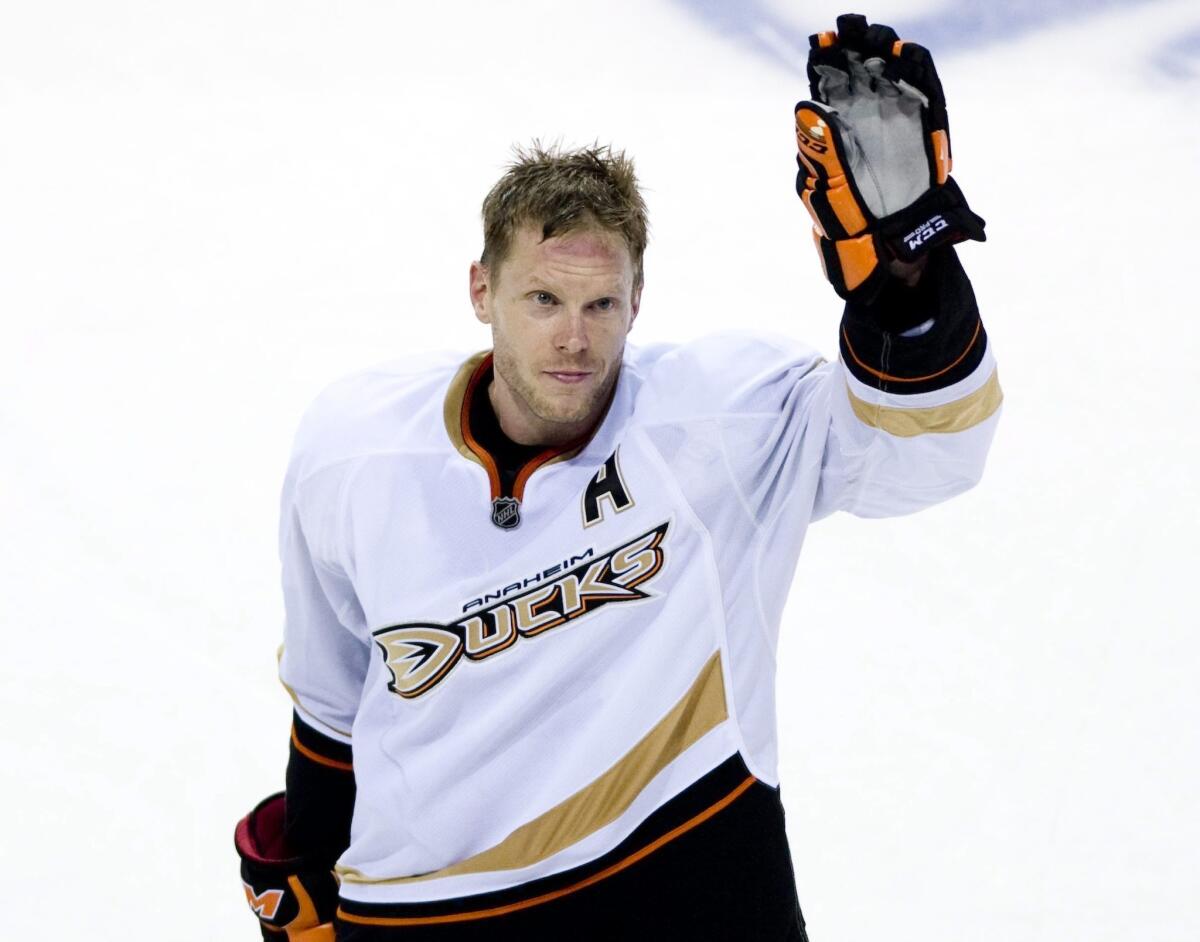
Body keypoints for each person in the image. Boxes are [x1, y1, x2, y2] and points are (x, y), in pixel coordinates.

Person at [235, 15, 1001, 941]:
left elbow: (925, 454)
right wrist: (309, 865)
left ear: (639, 297)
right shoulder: (354, 451)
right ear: (481, 291)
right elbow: (330, 702)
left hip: (689, 882)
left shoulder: (723, 420)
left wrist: (909, 288)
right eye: (544, 300)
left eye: (602, 303)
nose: (574, 337)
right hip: (423, 911)